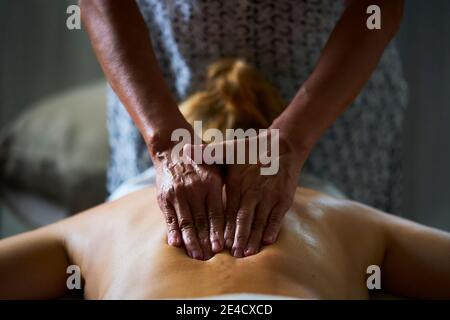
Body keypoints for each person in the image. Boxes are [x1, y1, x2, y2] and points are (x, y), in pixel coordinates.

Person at [79, 0, 408, 259]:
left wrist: (294, 136)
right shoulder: (352, 223)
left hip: (331, 87)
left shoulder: (111, 222)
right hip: (162, 77)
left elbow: (379, 5)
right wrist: (164, 141)